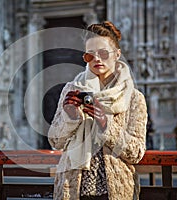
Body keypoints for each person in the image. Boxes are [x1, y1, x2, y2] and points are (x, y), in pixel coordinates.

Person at [48, 21, 148, 200]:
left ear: (117, 54)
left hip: (115, 191)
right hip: (72, 189)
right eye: (90, 56)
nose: (97, 60)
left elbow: (136, 152)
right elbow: (55, 140)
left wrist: (106, 125)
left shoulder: (134, 98)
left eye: (103, 53)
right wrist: (70, 118)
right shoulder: (72, 89)